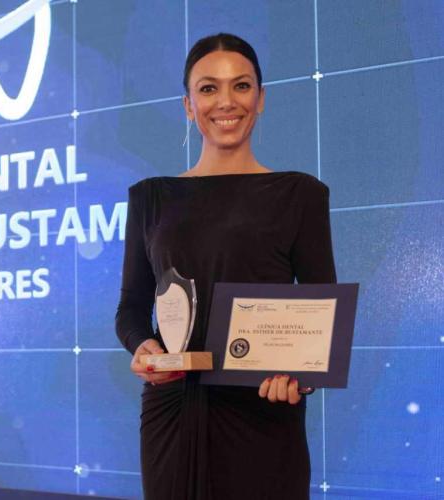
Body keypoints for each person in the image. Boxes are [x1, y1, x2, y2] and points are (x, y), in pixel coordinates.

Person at [115, 33, 336, 500]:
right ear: (188, 105)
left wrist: (299, 378)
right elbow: (131, 308)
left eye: (241, 85)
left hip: (264, 412)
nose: (226, 101)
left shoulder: (300, 195)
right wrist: (143, 347)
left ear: (261, 99)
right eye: (208, 88)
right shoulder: (150, 198)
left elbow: (322, 315)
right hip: (173, 413)